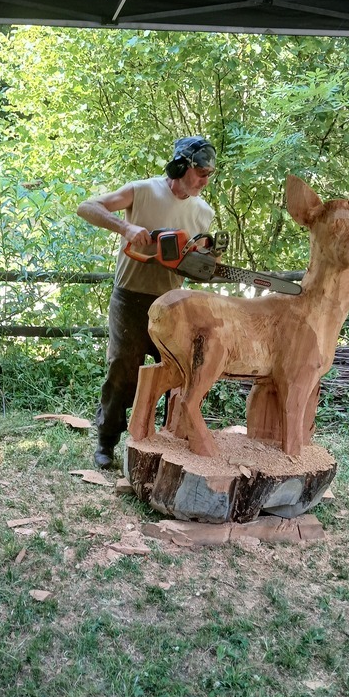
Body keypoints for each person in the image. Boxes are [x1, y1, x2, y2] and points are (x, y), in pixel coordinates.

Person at [77, 135, 216, 469]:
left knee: (177, 374)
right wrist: (125, 227)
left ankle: (168, 445)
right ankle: (107, 441)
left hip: (172, 303)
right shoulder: (142, 190)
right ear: (181, 166)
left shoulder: (203, 212)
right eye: (199, 172)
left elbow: (198, 268)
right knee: (123, 370)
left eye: (209, 174)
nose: (204, 180)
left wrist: (203, 260)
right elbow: (87, 207)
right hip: (130, 297)